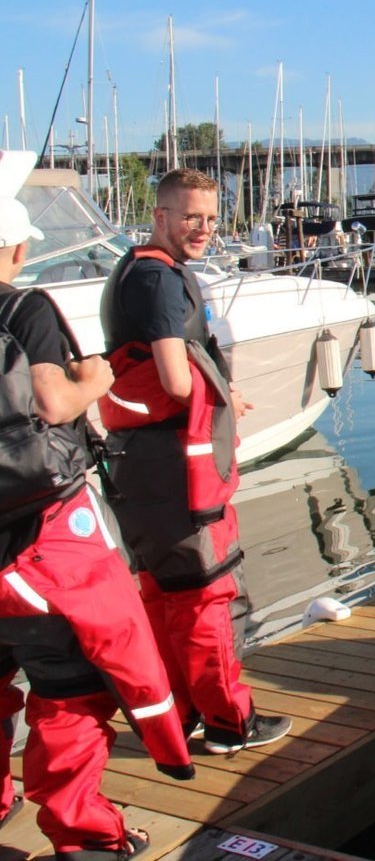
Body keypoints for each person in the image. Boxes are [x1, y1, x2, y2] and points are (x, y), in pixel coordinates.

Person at [0, 150, 193, 859]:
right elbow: (53, 402)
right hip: (33, 539)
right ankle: (83, 833)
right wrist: (96, 377)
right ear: (17, 248)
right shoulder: (25, 307)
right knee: (70, 689)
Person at [100, 168, 291, 755]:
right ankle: (231, 723)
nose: (204, 228)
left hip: (139, 467)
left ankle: (178, 715)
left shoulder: (130, 270)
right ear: (159, 216)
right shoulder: (159, 281)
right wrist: (222, 395)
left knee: (161, 593)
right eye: (190, 217)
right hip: (176, 471)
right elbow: (175, 378)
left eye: (211, 217)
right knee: (205, 596)